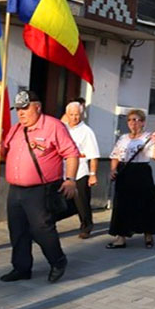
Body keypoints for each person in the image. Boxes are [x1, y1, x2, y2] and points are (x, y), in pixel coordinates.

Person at [0, 90, 79, 283]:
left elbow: (72, 153)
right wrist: (1, 150)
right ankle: (21, 268)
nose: (20, 113)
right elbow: (7, 155)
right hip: (15, 189)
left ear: (37, 107)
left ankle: (57, 261)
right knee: (17, 229)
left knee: (42, 229)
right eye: (18, 109)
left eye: (25, 108)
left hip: (40, 189)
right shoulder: (16, 129)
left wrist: (71, 179)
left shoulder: (53, 126)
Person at [106, 109, 155, 249]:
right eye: (130, 120)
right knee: (122, 205)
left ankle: (148, 234)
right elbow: (115, 155)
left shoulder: (148, 137)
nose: (133, 123)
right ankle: (121, 237)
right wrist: (113, 170)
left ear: (143, 122)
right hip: (124, 172)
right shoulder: (123, 138)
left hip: (141, 172)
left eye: (136, 120)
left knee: (145, 204)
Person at [62, 100, 100, 239]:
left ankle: (86, 225)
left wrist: (93, 174)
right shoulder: (62, 128)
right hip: (63, 170)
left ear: (82, 115)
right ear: (67, 114)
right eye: (71, 114)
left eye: (77, 114)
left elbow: (93, 155)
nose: (74, 118)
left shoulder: (87, 131)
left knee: (82, 201)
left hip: (80, 170)